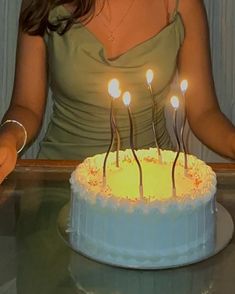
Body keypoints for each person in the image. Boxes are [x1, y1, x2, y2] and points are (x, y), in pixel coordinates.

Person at [0, 0, 235, 184]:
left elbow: (204, 112)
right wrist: (9, 139)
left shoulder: (181, 4)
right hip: (62, 180)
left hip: (154, 185)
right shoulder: (44, 3)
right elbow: (26, 107)